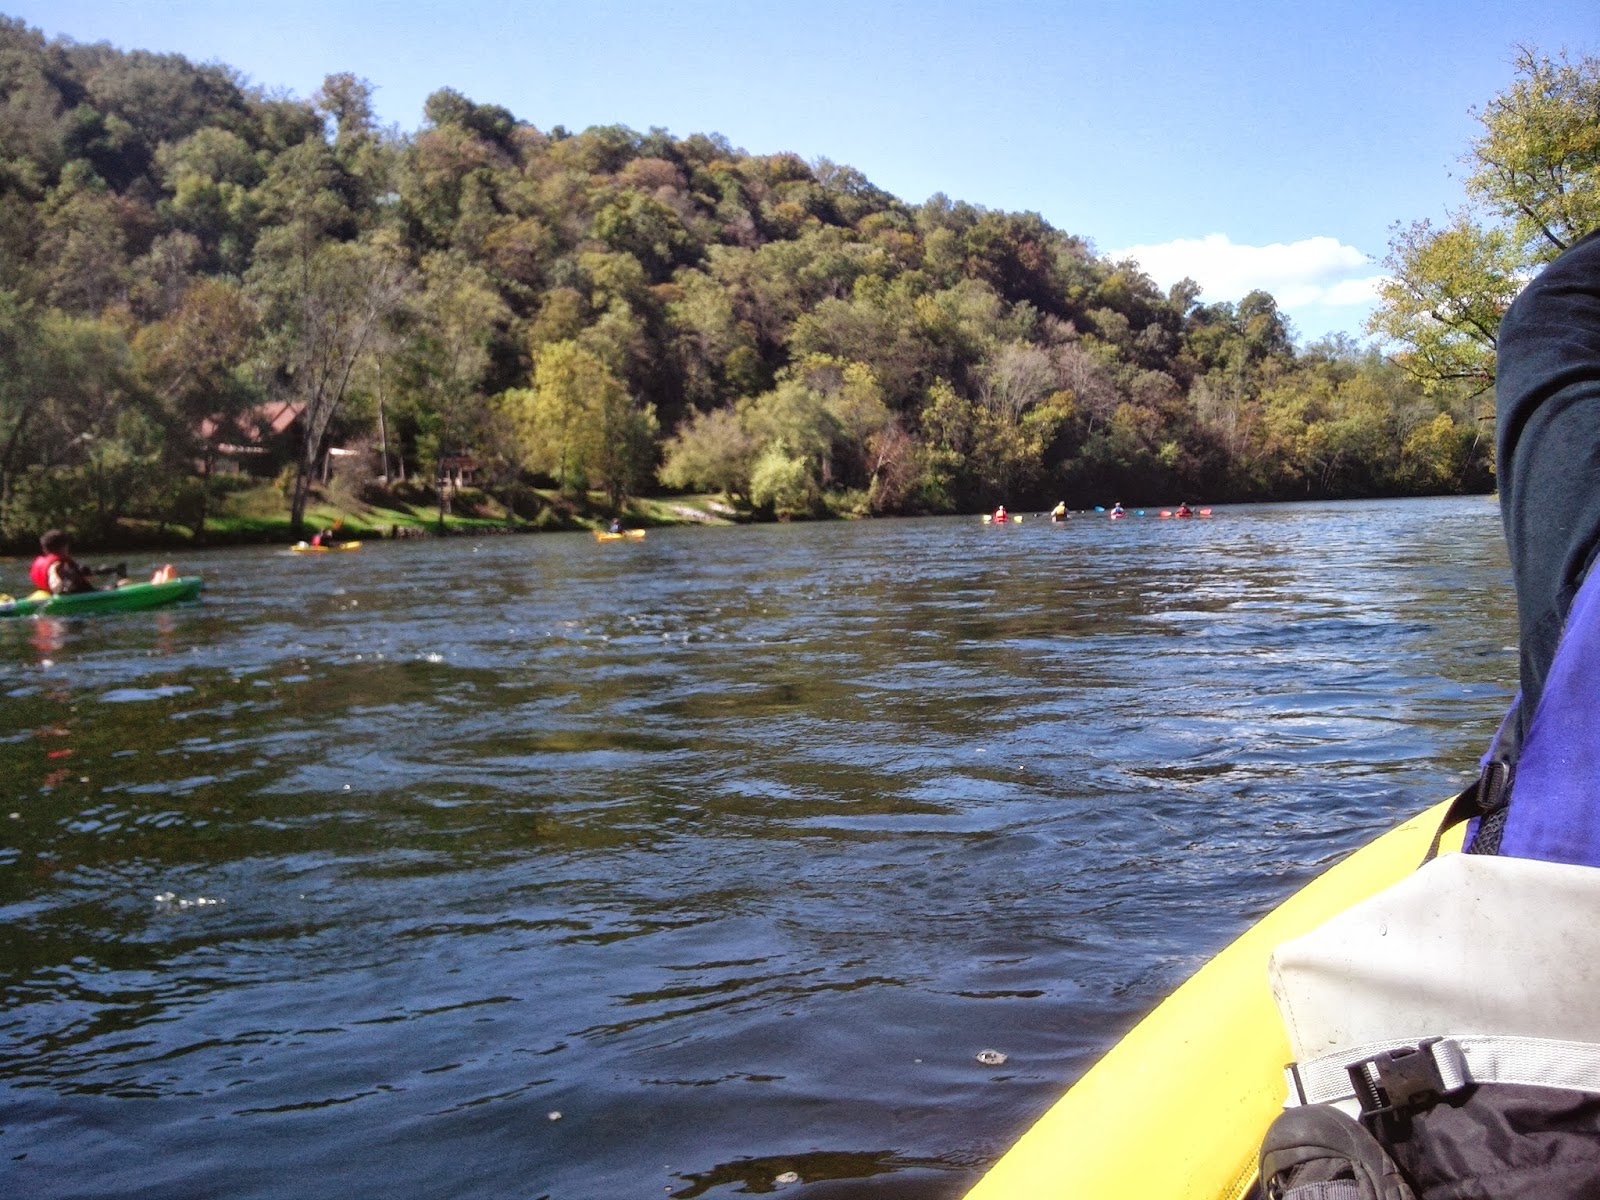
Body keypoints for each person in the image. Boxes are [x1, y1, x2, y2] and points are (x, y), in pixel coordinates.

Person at [30, 530, 95, 595]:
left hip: (47, 593)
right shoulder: (60, 564)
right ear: (65, 547)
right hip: (69, 596)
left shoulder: (43, 563)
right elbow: (57, 585)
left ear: (44, 549)